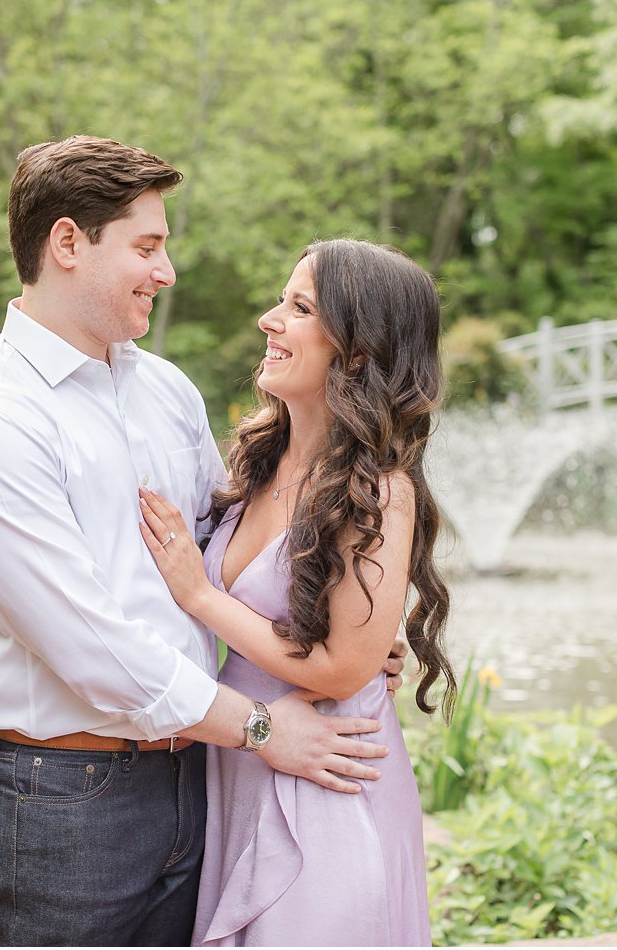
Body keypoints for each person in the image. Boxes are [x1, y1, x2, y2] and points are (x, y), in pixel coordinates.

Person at [0, 137, 403, 947]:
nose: (166, 270)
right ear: (67, 242)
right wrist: (259, 725)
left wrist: (348, 628)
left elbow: (231, 552)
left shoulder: (164, 390)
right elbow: (88, 644)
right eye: (147, 246)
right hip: (68, 797)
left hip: (197, 779)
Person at [138, 238, 456, 946]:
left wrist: (201, 595)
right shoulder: (257, 457)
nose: (269, 319)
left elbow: (344, 667)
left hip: (329, 779)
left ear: (358, 350)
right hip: (247, 766)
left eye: (299, 306)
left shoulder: (380, 490)